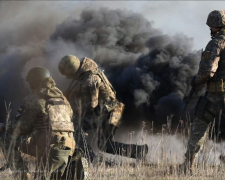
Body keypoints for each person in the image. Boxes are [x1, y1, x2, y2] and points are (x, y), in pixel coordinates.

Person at [0, 67, 75, 180]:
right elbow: (70, 116)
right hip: (69, 145)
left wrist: (4, 127)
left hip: (45, 145)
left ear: (33, 81)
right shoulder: (63, 99)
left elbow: (21, 128)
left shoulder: (34, 99)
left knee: (6, 138)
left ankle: (22, 175)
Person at [181, 10, 225, 173]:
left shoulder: (217, 43)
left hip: (217, 94)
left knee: (200, 126)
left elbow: (207, 70)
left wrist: (197, 81)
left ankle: (188, 166)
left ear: (214, 25)